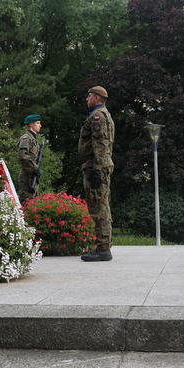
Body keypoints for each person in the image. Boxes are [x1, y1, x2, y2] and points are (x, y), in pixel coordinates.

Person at [79, 86, 115, 261]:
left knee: (98, 207)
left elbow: (100, 144)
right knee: (102, 205)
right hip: (99, 165)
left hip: (96, 165)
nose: (87, 99)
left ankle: (103, 248)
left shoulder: (97, 116)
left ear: (97, 98)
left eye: (89, 96)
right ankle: (104, 245)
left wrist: (96, 169)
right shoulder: (104, 115)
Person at [18, 114, 43, 200]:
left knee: (33, 202)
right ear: (31, 124)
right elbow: (23, 156)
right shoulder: (26, 138)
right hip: (27, 176)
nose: (40, 125)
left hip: (32, 175)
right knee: (26, 202)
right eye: (38, 123)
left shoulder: (33, 139)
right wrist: (35, 167)